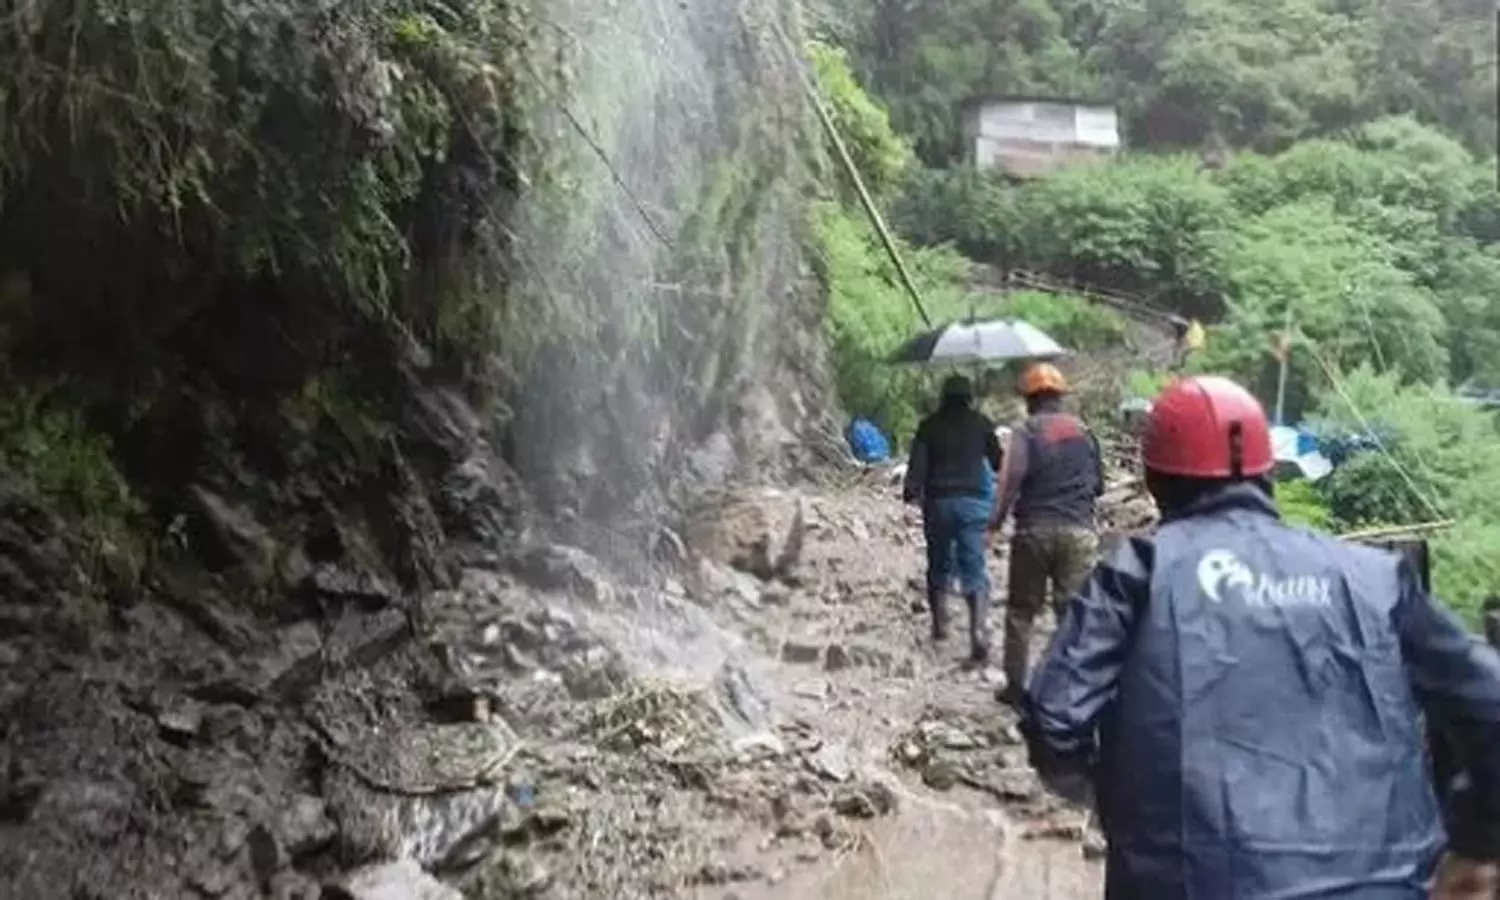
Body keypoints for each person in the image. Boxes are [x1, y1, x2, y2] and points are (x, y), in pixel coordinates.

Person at [1018, 374, 1500, 899]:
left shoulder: (1139, 572)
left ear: (1155, 480)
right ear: (1268, 472)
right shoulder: (1375, 578)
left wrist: (1127, 804)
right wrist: (1472, 838)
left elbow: (1055, 720)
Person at [989, 361, 1103, 706]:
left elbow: (1010, 483)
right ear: (1060, 398)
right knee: (1072, 614)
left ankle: (1016, 687)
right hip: (1080, 533)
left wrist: (994, 523)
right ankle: (1071, 689)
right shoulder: (1085, 432)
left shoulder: (1025, 432)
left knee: (1022, 612)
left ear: (1029, 399)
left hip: (1034, 531)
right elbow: (1098, 485)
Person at [902, 374, 1003, 664]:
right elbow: (998, 461)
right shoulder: (980, 423)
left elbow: (916, 470)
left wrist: (911, 492)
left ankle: (939, 625)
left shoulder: (929, 426)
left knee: (938, 563)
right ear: (969, 396)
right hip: (973, 503)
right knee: (974, 566)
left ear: (943, 397)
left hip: (938, 504)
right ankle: (979, 631)